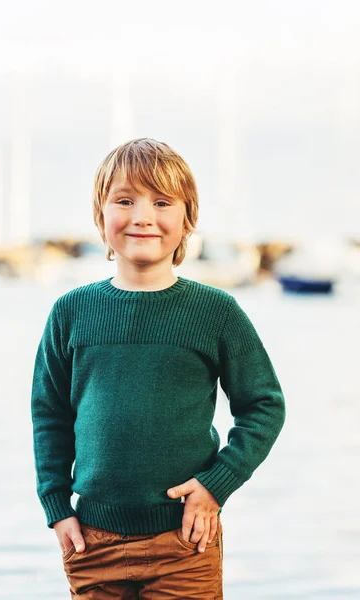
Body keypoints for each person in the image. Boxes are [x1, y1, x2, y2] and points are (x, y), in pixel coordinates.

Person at [31, 137, 286, 599]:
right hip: (92, 539)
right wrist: (55, 503)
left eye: (162, 202)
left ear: (187, 219)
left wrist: (216, 485)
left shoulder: (216, 312)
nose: (142, 216)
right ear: (100, 215)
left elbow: (264, 406)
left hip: (185, 540)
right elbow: (49, 413)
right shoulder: (70, 313)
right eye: (124, 200)